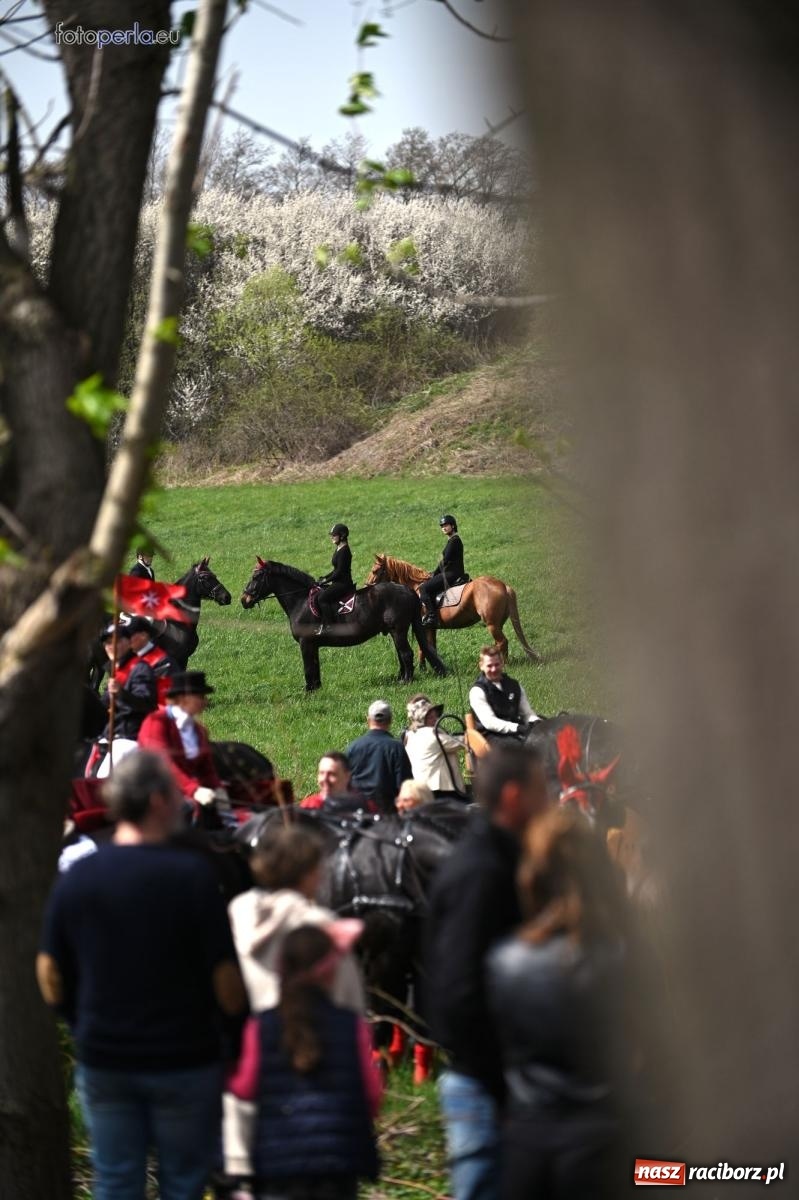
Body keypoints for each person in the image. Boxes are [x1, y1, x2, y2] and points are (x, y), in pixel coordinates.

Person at [37, 751, 248, 1200]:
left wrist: (77, 1020)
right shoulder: (191, 876)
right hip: (183, 1056)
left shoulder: (78, 876)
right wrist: (231, 1033)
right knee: (183, 1182)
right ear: (157, 801)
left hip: (105, 1056)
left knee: (114, 1180)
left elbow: (49, 971)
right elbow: (226, 980)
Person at [486, 810, 639, 1200]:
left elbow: (493, 1055)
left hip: (526, 1146)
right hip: (606, 1145)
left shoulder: (506, 963)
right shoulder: (622, 959)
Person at [423, 742, 550, 1200]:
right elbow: (459, 992)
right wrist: (499, 1083)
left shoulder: (502, 861)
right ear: (516, 797)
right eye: (543, 791)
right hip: (486, 1087)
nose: (550, 803)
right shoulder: (482, 873)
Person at [223, 826, 366, 1187]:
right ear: (309, 873)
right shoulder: (322, 929)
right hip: (314, 1079)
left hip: (247, 1071)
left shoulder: (236, 916)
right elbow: (351, 1008)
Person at [226, 925, 382, 1200]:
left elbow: (245, 1088)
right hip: (337, 1162)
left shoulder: (261, 1027)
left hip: (277, 1161)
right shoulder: (351, 1026)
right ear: (330, 970)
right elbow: (371, 1094)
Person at [138, 670, 232, 824]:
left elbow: (206, 769)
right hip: (156, 794)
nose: (205, 701)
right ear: (183, 698)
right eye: (200, 697)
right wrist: (194, 790)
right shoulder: (156, 723)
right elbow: (164, 765)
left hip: (186, 793)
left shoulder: (199, 730)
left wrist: (217, 788)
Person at [92, 622, 157, 776]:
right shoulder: (117, 670)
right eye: (108, 642)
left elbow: (146, 702)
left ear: (128, 642)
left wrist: (121, 693)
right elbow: (102, 706)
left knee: (102, 778)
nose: (111, 646)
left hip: (129, 737)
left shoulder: (141, 669)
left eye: (117, 641)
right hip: (109, 735)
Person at [345, 700, 413, 814]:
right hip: (387, 813)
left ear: (368, 720)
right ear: (390, 720)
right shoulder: (397, 748)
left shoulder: (353, 747)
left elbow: (345, 782)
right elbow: (405, 784)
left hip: (359, 811)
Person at [469, 644, 541, 744]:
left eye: (496, 664)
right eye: (489, 666)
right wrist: (518, 728)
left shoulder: (514, 685)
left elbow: (527, 713)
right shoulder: (477, 691)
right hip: (490, 737)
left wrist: (536, 722)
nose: (494, 669)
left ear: (502, 663)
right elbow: (490, 722)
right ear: (481, 666)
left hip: (516, 731)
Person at [404, 695, 467, 798]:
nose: (436, 720)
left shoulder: (410, 735)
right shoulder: (432, 735)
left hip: (423, 790)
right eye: (431, 717)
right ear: (422, 719)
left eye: (435, 716)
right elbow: (463, 742)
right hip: (442, 791)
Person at [420, 514, 466, 628]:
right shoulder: (452, 540)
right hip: (451, 572)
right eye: (442, 526)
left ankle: (432, 616)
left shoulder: (454, 541)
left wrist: (434, 574)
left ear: (453, 526)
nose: (444, 528)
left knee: (423, 588)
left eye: (446, 525)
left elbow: (445, 561)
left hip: (452, 574)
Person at [299, 751, 372, 813]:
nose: (325, 779)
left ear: (347, 777)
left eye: (332, 774)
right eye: (321, 773)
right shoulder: (309, 806)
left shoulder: (365, 806)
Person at [316, 522, 354, 634]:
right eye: (332, 535)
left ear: (342, 536)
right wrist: (324, 577)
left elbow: (339, 572)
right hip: (338, 582)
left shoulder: (345, 551)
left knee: (322, 598)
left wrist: (325, 581)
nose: (332, 537)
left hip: (343, 584)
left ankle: (329, 626)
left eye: (334, 535)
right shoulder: (339, 548)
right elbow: (335, 569)